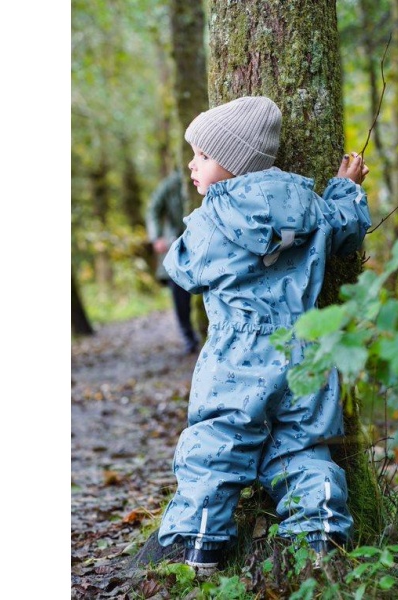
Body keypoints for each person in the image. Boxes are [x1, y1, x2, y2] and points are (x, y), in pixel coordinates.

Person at [156, 96, 371, 575]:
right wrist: (346, 187)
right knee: (302, 443)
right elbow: (347, 226)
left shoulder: (211, 222)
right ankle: (321, 533)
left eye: (204, 156)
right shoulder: (310, 206)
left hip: (237, 353)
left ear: (233, 163)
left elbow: (182, 268)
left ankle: (201, 541)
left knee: (219, 439)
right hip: (304, 351)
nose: (193, 163)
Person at [146, 170, 199, 354]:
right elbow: (153, 208)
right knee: (180, 296)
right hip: (175, 245)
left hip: (201, 242)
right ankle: (188, 337)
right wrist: (156, 236)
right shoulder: (171, 184)